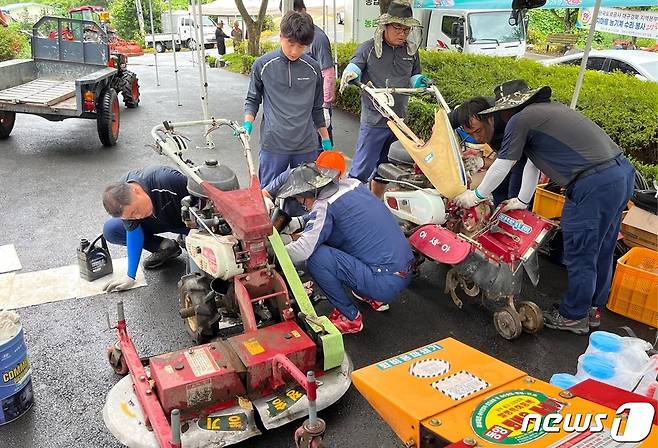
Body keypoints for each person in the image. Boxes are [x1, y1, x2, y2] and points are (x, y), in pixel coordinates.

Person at [454, 80, 635, 335]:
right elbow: (533, 163)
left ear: (509, 109)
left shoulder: (521, 119)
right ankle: (592, 308)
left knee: (581, 251)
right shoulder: (548, 113)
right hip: (621, 174)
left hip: (591, 184)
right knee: (602, 248)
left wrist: (476, 195)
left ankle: (574, 316)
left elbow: (503, 164)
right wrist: (522, 200)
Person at [277, 164, 414, 334]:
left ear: (310, 193)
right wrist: (297, 223)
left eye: (302, 201)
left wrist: (276, 253)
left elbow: (304, 249)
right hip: (402, 270)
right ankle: (373, 296)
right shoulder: (353, 185)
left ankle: (349, 317)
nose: (304, 206)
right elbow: (332, 219)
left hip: (384, 282)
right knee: (340, 237)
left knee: (317, 258)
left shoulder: (324, 206)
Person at [339, 0, 430, 198]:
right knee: (361, 170)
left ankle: (376, 204)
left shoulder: (411, 52)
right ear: (385, 26)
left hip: (399, 121)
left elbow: (414, 76)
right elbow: (356, 65)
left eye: (406, 29)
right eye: (398, 28)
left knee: (385, 169)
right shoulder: (369, 48)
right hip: (374, 121)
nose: (402, 33)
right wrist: (351, 72)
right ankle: (353, 205)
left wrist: (421, 82)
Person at [244, 11, 331, 187]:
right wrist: (247, 124)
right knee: (269, 195)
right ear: (281, 36)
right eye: (290, 44)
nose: (294, 51)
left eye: (301, 47)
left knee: (306, 194)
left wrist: (325, 138)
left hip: (306, 145)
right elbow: (253, 98)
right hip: (274, 144)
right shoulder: (262, 65)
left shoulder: (313, 68)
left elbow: (316, 108)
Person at [101, 166, 189, 292]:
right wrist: (130, 276)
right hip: (157, 219)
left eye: (135, 211)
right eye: (131, 216)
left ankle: (187, 237)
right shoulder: (121, 199)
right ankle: (166, 247)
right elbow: (133, 234)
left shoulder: (168, 180)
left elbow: (205, 203)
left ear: (136, 190)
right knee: (111, 230)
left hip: (185, 222)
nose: (137, 216)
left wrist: (198, 232)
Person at [449, 96, 528, 206]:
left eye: (478, 131)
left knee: (514, 197)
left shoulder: (508, 123)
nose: (476, 138)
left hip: (525, 155)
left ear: (490, 119)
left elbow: (508, 163)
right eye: (470, 134)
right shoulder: (466, 113)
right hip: (504, 151)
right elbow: (441, 125)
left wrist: (476, 196)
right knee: (498, 191)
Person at [292, 0, 335, 146]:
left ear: (304, 10)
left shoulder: (318, 38)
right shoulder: (293, 37)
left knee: (321, 145)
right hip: (300, 103)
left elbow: (328, 73)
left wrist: (325, 105)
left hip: (317, 103)